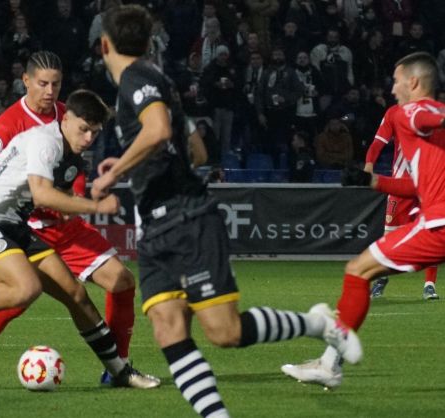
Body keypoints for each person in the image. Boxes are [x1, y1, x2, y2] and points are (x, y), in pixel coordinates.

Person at [92, 6, 360, 417]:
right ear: (147, 43)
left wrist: (117, 169)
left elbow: (159, 129)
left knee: (225, 332)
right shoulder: (155, 79)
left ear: (104, 44)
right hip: (156, 227)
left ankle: (318, 324)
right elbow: (191, 144)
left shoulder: (136, 77)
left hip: (185, 217)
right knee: (167, 327)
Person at [0, 51, 158, 389]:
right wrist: (81, 205)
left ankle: (118, 368)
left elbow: (74, 170)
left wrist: (76, 201)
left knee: (119, 282)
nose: (49, 90)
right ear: (25, 81)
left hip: (64, 225)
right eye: (42, 83)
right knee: (21, 293)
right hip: (26, 223)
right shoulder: (7, 126)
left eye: (55, 84)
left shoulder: (67, 116)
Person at [281, 52, 445, 389]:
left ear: (413, 82)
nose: (393, 88)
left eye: (397, 81)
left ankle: (330, 365)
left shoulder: (411, 113)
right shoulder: (426, 135)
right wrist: (370, 181)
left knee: (358, 270)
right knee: (361, 270)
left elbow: (429, 113)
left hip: (439, 225)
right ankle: (329, 363)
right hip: (433, 219)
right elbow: (416, 186)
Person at [364, 105, 439, 300]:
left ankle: (429, 285)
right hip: (401, 184)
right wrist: (369, 164)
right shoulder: (394, 113)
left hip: (429, 184)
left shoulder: (434, 115)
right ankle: (382, 278)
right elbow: (378, 142)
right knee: (390, 236)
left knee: (434, 232)